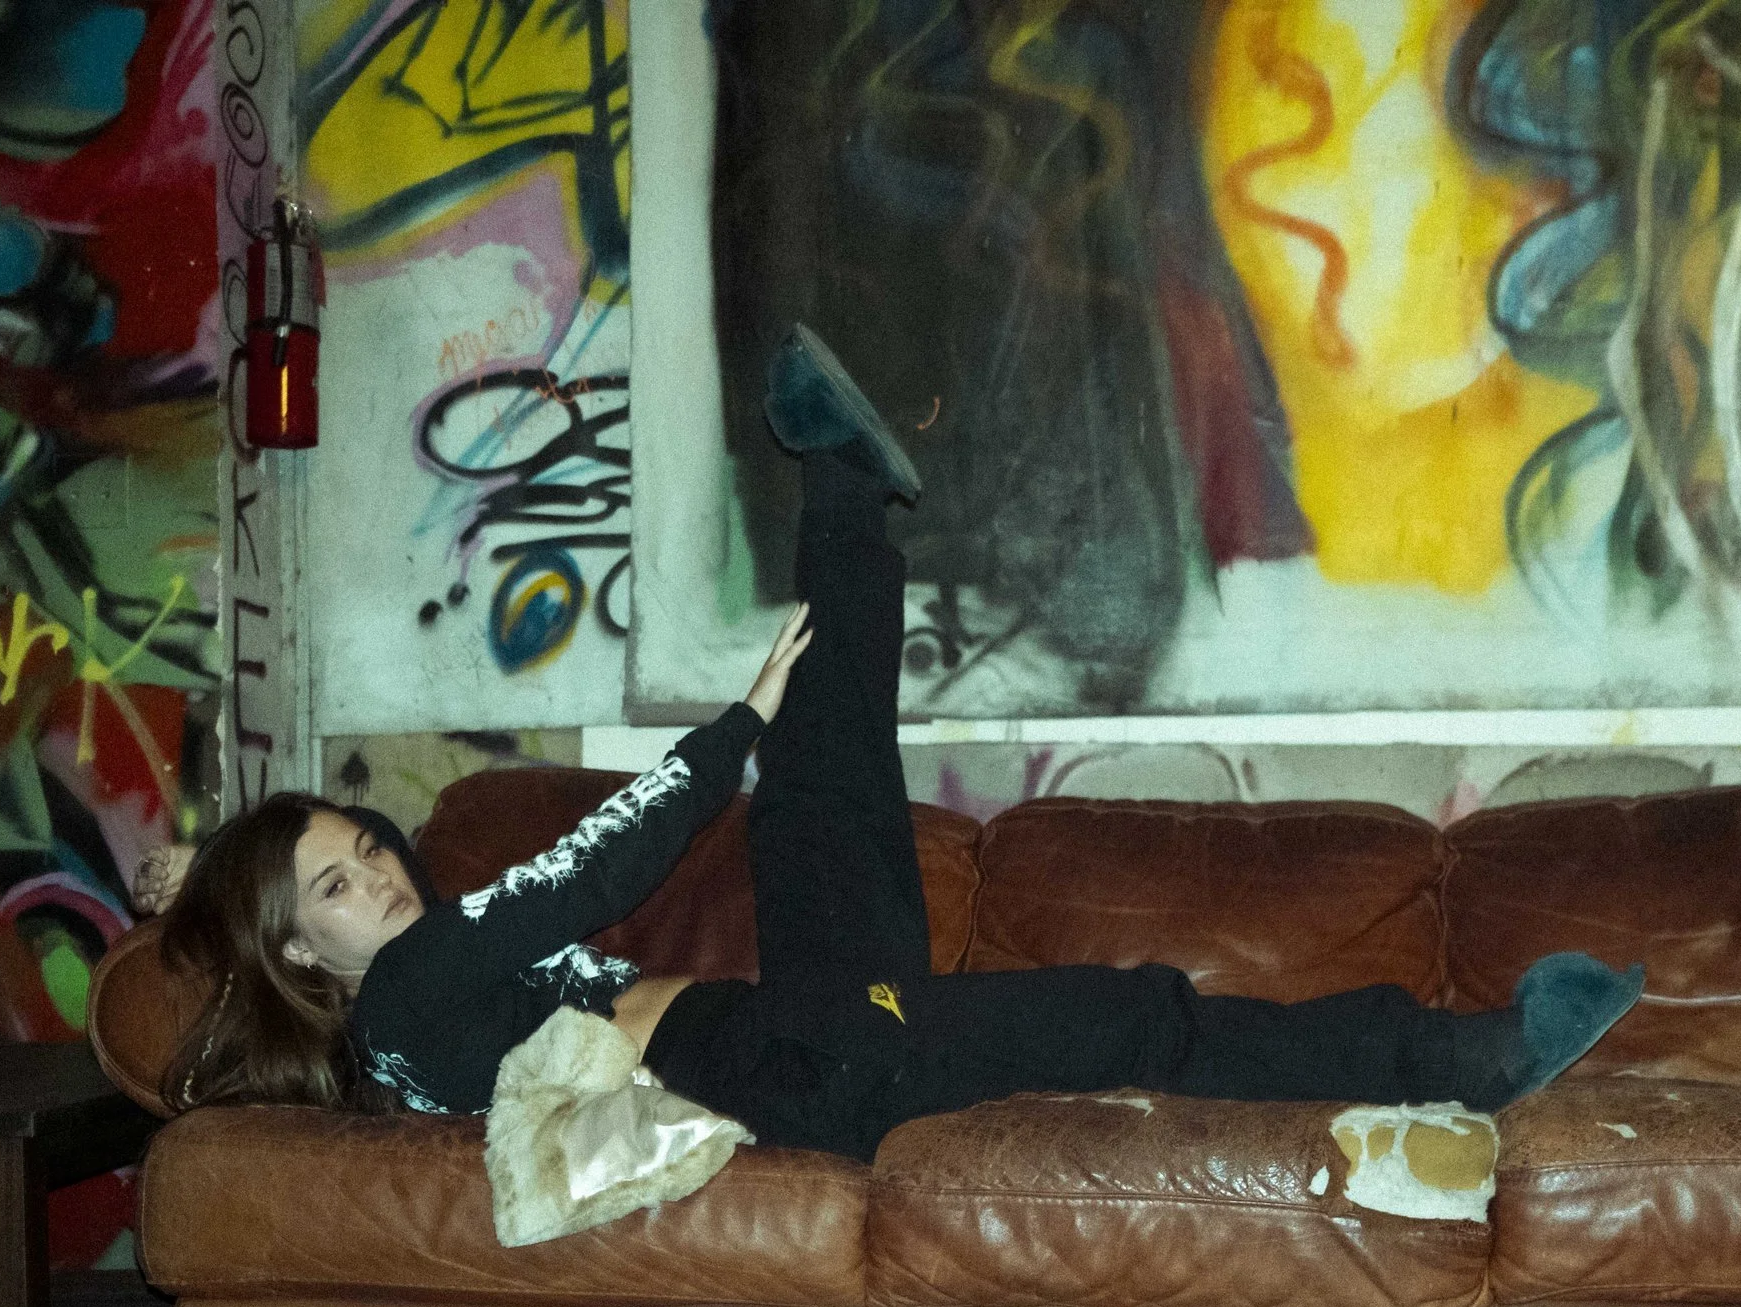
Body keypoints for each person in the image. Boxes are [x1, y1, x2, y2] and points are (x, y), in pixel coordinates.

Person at [155, 328, 1646, 1159]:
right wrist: (726, 730)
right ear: (296, 951)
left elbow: (329, 976)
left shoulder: (403, 1019)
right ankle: (1462, 1055)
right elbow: (584, 874)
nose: (383, 873)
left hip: (793, 1031)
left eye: (366, 847)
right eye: (338, 885)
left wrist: (184, 892)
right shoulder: (413, 987)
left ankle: (846, 486)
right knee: (1135, 1012)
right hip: (796, 1068)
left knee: (825, 785)